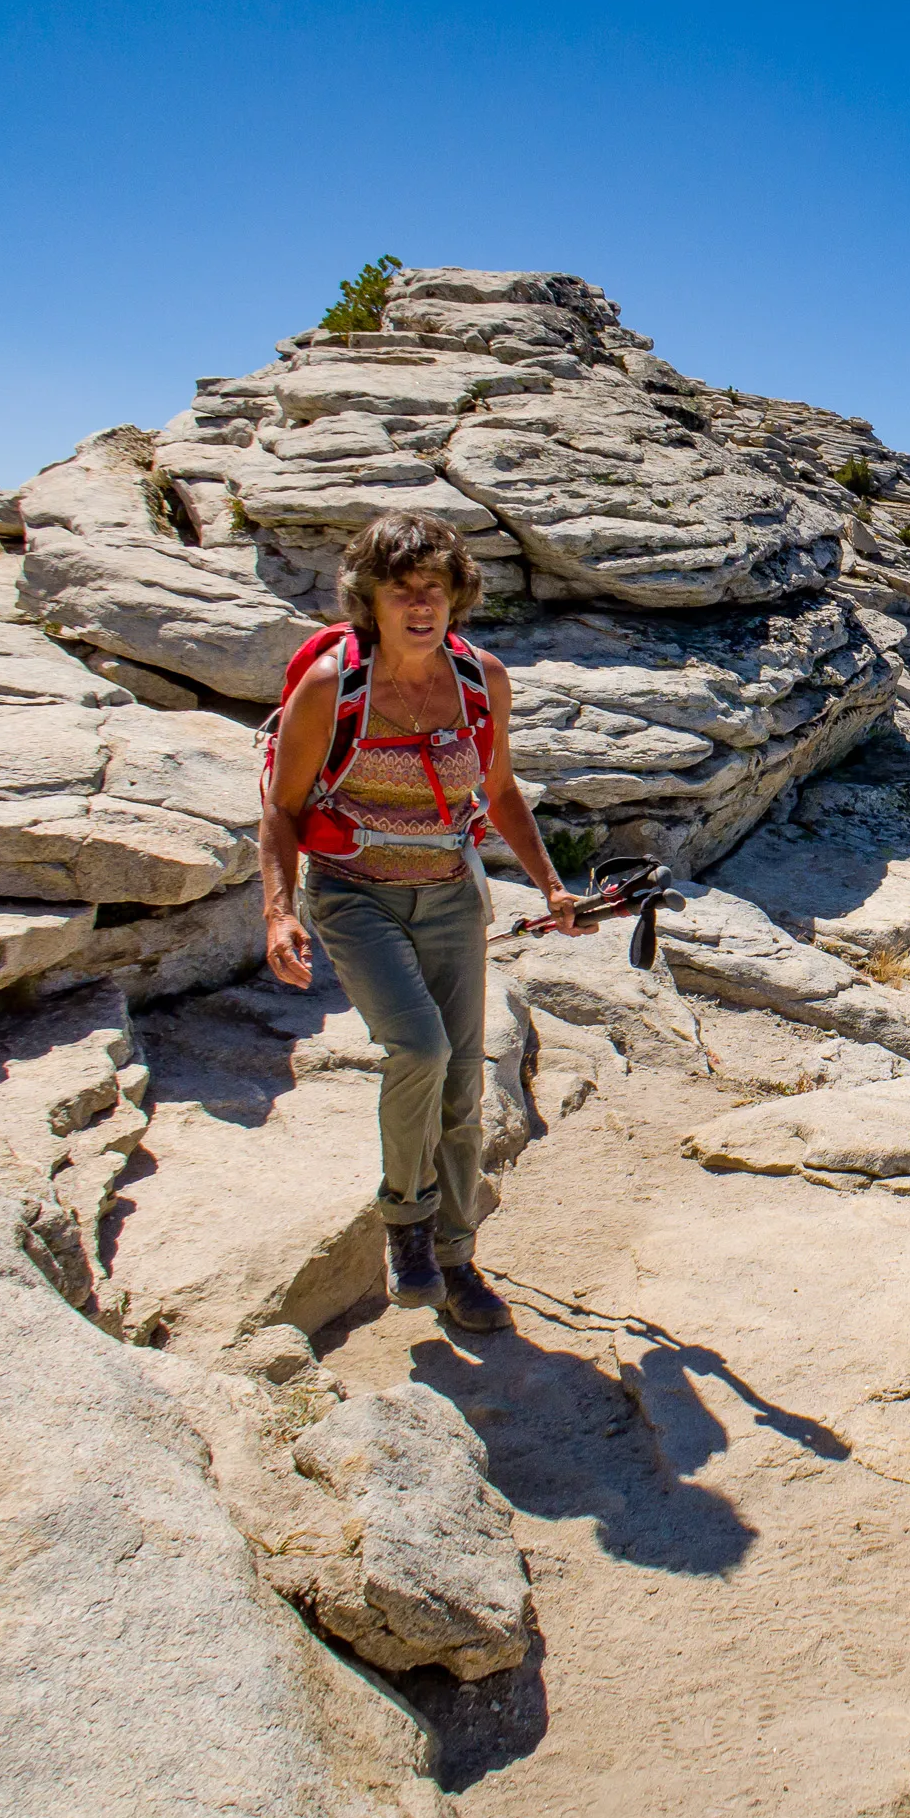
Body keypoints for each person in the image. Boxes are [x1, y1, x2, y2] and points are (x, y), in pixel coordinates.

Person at [259, 510, 591, 1330]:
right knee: (421, 1049)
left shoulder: (482, 679)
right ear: (368, 598)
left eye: (434, 588)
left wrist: (551, 886)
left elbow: (502, 791)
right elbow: (282, 809)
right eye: (400, 589)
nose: (419, 603)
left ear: (456, 595)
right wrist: (275, 913)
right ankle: (405, 1223)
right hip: (353, 893)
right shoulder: (334, 687)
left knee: (465, 1079)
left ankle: (456, 1258)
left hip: (449, 892)